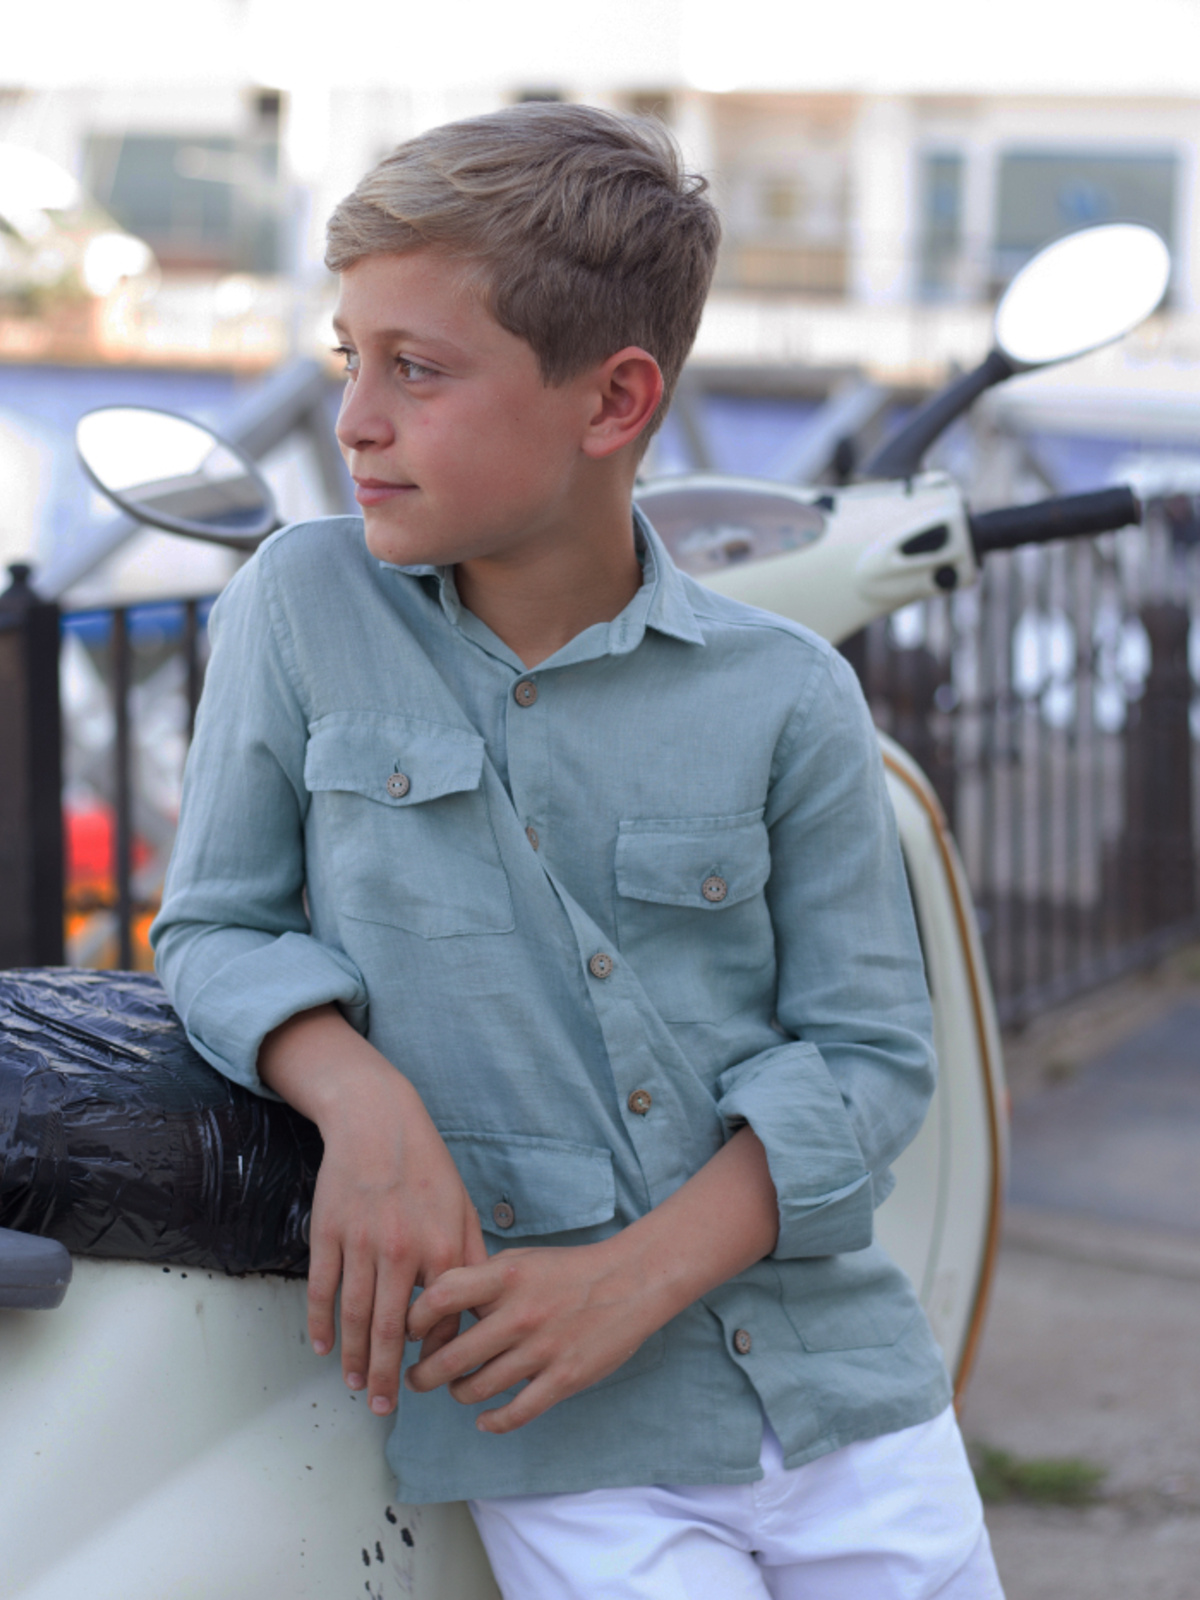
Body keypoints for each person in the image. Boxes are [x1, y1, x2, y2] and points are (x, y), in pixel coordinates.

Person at [152, 102, 1004, 1599]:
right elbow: (209, 928)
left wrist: (633, 1280)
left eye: (415, 371)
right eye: (354, 359)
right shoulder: (298, 607)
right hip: (547, 1421)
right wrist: (361, 1100)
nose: (354, 420)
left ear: (613, 403)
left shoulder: (790, 692)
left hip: (842, 1389)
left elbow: (872, 1060)